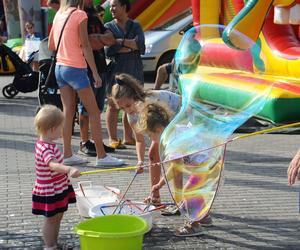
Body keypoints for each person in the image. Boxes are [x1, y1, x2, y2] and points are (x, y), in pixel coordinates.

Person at [48, 0, 124, 166]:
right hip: (75, 68)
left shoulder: (58, 15)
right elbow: (85, 46)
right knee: (95, 112)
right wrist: (95, 73)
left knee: (68, 112)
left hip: (60, 68)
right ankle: (102, 157)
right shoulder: (79, 14)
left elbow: (51, 44)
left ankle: (67, 154)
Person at [136, 102, 214, 237]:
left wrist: (175, 196)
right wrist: (159, 185)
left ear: (159, 129)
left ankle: (194, 225)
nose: (150, 139)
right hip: (206, 162)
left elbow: (176, 170)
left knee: (188, 193)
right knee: (193, 191)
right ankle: (204, 216)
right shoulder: (175, 130)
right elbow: (176, 167)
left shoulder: (172, 143)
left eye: (150, 135)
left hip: (202, 166)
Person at [110, 73, 181, 205]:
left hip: (180, 114)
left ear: (135, 97)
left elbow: (163, 127)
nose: (127, 110)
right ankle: (155, 195)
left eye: (128, 105)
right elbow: (139, 140)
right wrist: (140, 161)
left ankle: (180, 201)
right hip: (165, 125)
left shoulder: (151, 101)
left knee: (174, 159)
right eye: (122, 108)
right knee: (153, 154)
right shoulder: (131, 117)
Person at [32, 105, 81, 249]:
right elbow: (52, 165)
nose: (62, 131)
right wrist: (69, 169)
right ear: (52, 129)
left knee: (58, 216)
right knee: (51, 219)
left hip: (57, 187)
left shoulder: (47, 143)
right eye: (61, 127)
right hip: (50, 189)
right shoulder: (45, 148)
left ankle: (54, 242)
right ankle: (49, 245)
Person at [105, 0, 145, 149]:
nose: (112, 9)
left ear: (124, 6)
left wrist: (119, 42)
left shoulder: (136, 26)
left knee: (132, 105)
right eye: (111, 6)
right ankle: (113, 138)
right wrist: (129, 45)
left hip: (134, 70)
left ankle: (128, 137)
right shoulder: (108, 27)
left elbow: (141, 46)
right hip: (116, 71)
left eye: (115, 5)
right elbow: (108, 50)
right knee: (113, 105)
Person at [77, 1, 115, 156]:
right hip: (87, 69)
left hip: (101, 68)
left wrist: (97, 38)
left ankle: (96, 142)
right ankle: (84, 142)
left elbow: (110, 39)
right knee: (85, 109)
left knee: (97, 109)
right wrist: (100, 40)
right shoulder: (79, 17)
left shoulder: (94, 17)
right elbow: (88, 44)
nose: (91, 1)